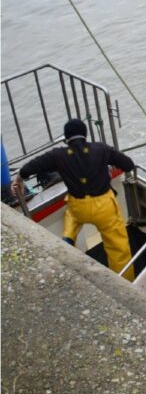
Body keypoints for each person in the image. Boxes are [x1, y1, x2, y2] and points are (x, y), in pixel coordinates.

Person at [11, 119, 136, 280]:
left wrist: (18, 179)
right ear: (85, 135)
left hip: (79, 207)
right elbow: (128, 164)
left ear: (66, 138)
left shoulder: (58, 155)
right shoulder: (101, 149)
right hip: (104, 207)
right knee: (118, 248)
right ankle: (125, 281)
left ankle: (69, 237)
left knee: (71, 212)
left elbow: (31, 167)